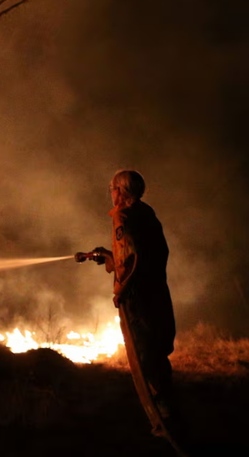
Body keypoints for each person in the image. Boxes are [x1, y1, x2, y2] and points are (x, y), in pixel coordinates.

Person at [88, 170, 180, 440]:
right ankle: (169, 411)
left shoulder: (122, 216)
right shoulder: (146, 214)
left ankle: (161, 418)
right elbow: (142, 253)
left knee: (144, 354)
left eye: (112, 188)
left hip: (138, 296)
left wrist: (121, 290)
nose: (111, 193)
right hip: (156, 291)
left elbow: (132, 258)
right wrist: (106, 256)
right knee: (157, 349)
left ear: (120, 190)